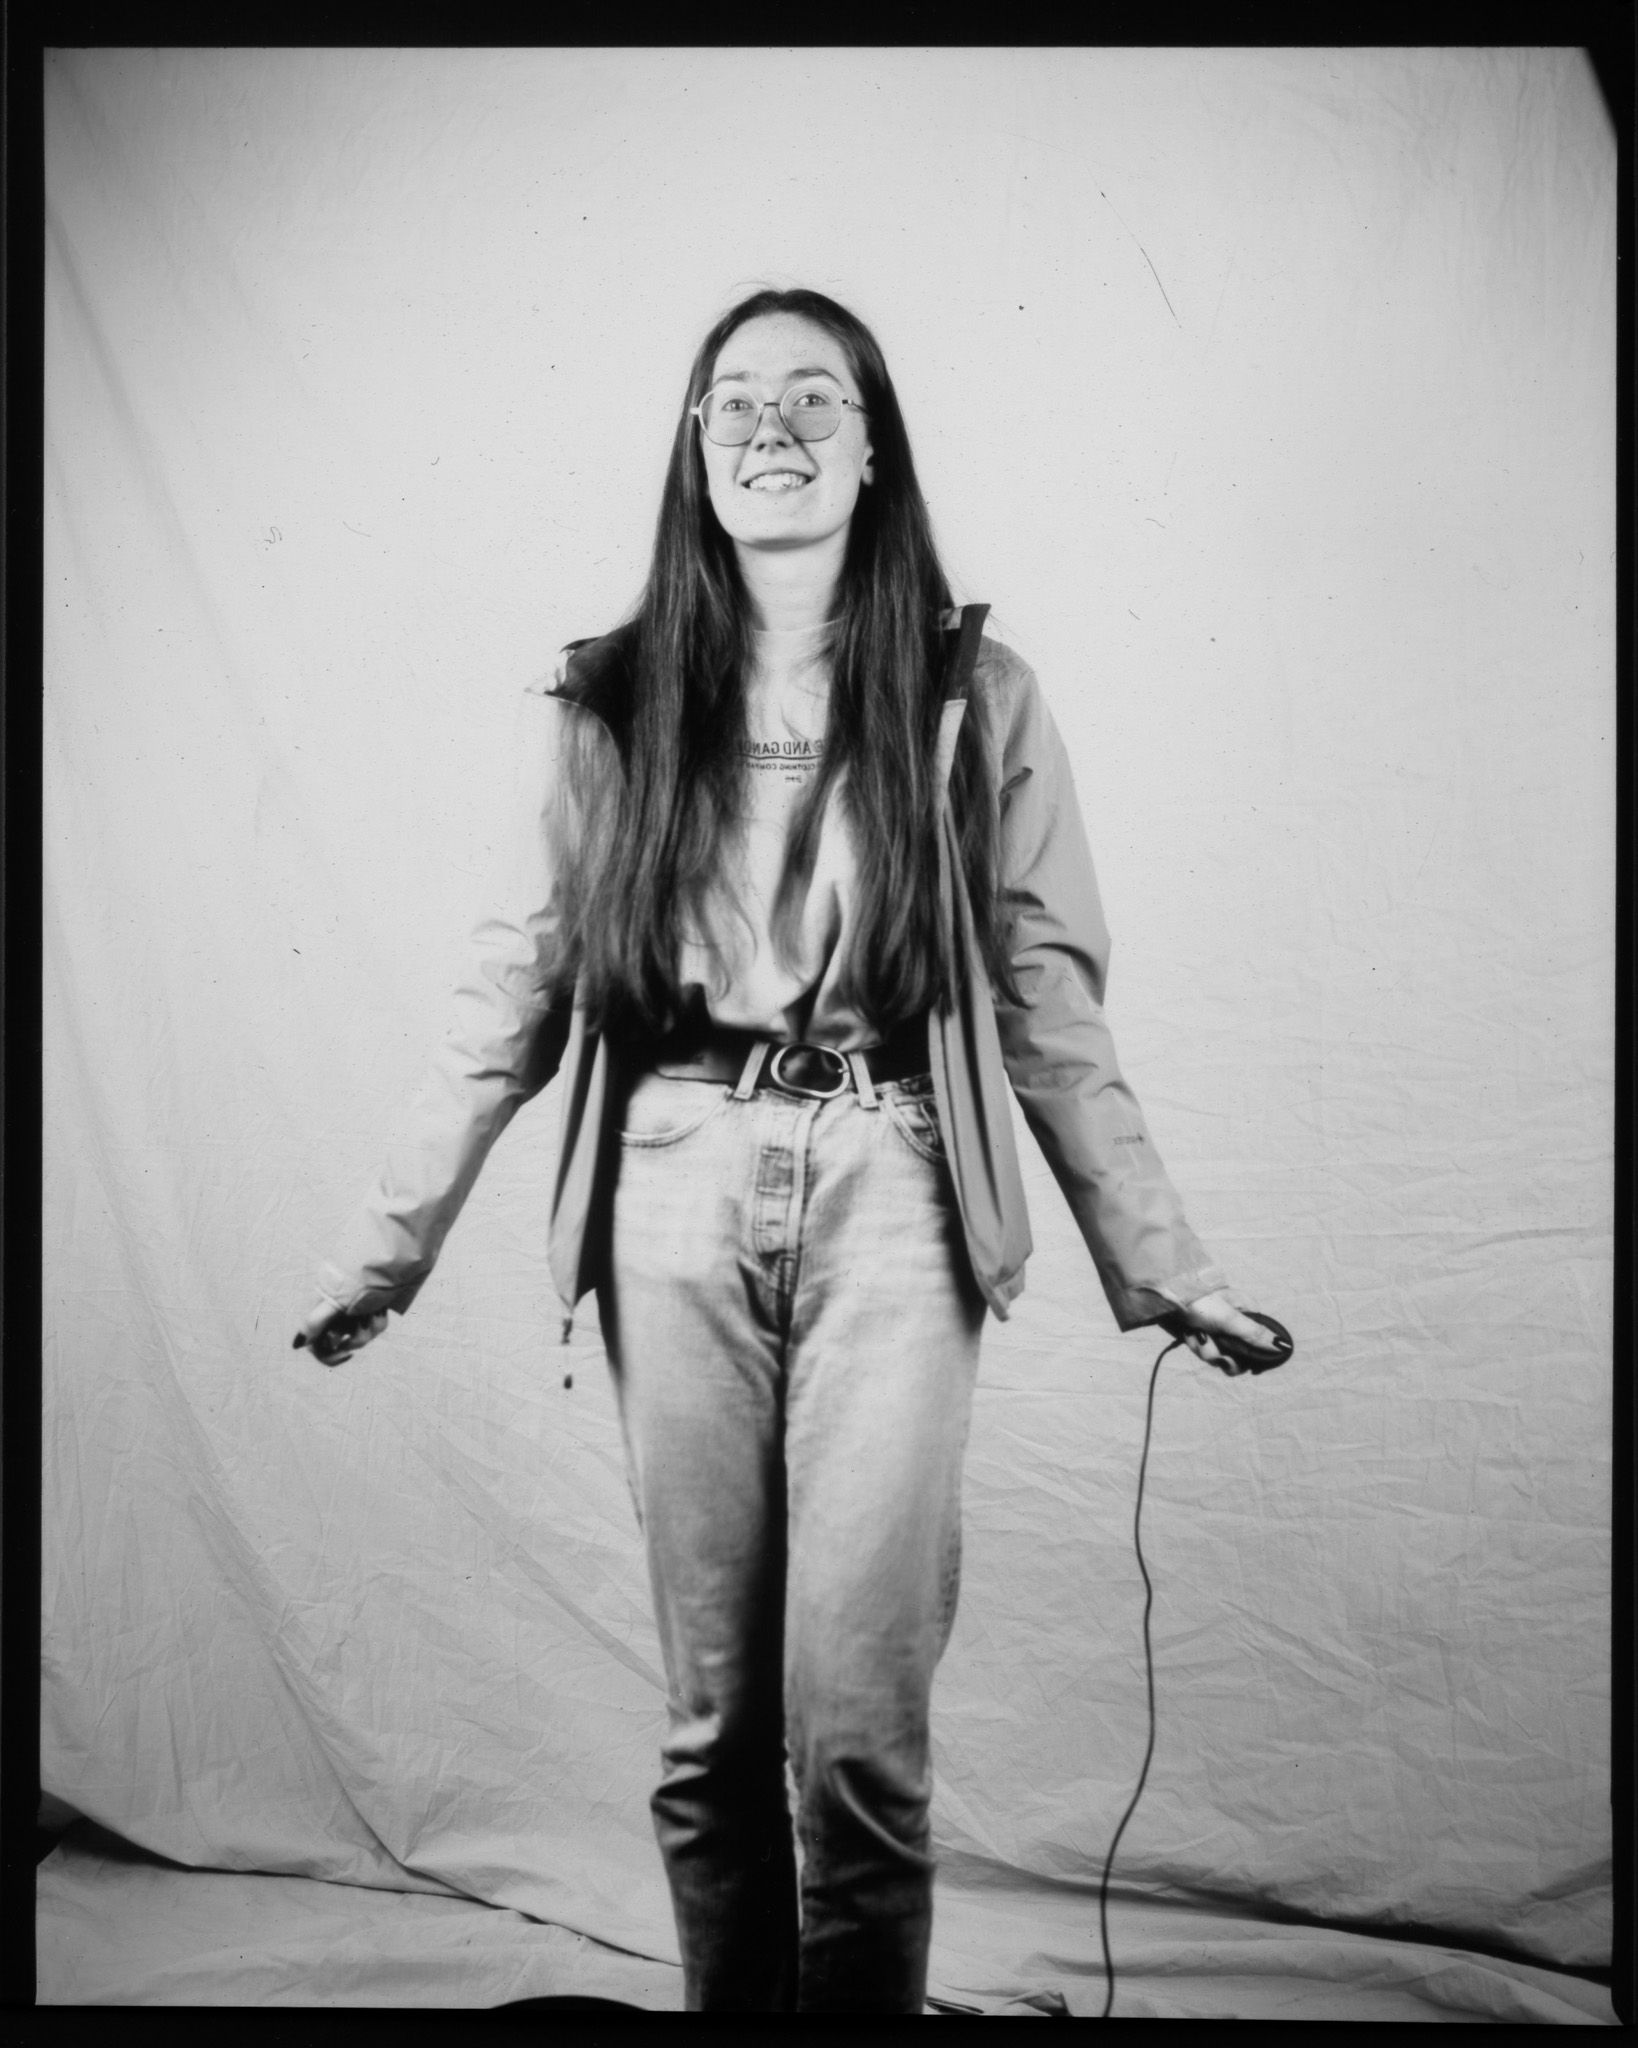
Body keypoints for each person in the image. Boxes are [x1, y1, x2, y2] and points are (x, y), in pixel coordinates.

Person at [296, 286, 1286, 2013]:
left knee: (857, 1741)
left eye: (815, 398)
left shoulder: (979, 694)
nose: (773, 429)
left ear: (874, 443)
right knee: (712, 1727)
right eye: (734, 400)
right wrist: (388, 1246)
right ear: (692, 447)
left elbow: (1048, 999)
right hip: (668, 1188)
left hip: (892, 1185)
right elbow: (508, 994)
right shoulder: (607, 701)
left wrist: (1166, 1264)